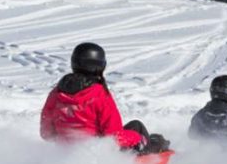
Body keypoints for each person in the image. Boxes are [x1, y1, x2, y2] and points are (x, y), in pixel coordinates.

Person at [40, 42, 170, 154]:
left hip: (65, 154)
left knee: (137, 131)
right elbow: (114, 136)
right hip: (100, 156)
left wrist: (67, 140)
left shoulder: (56, 93)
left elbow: (46, 134)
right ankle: (152, 154)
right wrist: (138, 138)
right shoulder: (99, 94)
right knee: (137, 126)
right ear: (99, 66)